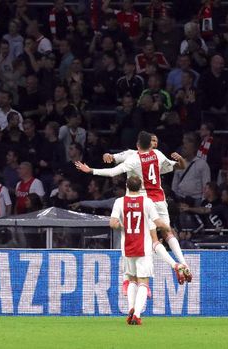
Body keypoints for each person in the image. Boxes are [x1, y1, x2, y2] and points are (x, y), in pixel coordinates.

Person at [76, 132, 192, 282]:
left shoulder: (133, 159)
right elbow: (179, 166)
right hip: (160, 199)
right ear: (150, 145)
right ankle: (184, 263)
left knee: (153, 239)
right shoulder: (157, 155)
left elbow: (112, 172)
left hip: (144, 201)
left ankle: (174, 266)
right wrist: (110, 156)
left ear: (138, 144)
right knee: (168, 232)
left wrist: (91, 170)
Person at [110, 176, 179, 325]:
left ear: (126, 186)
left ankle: (131, 308)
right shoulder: (146, 202)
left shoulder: (119, 202)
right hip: (144, 247)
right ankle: (137, 314)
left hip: (127, 247)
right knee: (143, 281)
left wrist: (124, 227)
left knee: (131, 279)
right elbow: (157, 222)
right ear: (141, 187)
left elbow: (112, 223)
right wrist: (168, 227)